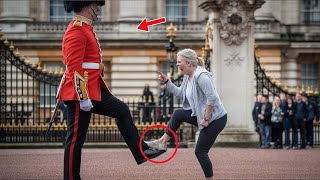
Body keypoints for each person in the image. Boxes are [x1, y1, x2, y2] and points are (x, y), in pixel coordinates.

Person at [57, 1, 164, 179]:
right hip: (79, 94)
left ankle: (142, 151)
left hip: (93, 90)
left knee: (121, 110)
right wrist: (83, 97)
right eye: (96, 5)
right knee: (75, 139)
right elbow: (74, 68)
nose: (98, 9)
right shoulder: (76, 30)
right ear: (88, 6)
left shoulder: (86, 28)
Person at [147, 48, 227, 180]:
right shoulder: (187, 76)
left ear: (189, 63)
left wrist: (206, 118)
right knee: (178, 113)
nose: (177, 64)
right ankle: (162, 142)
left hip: (216, 119)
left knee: (200, 152)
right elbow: (180, 94)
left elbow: (212, 98)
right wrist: (167, 82)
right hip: (201, 115)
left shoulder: (202, 77)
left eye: (179, 62)